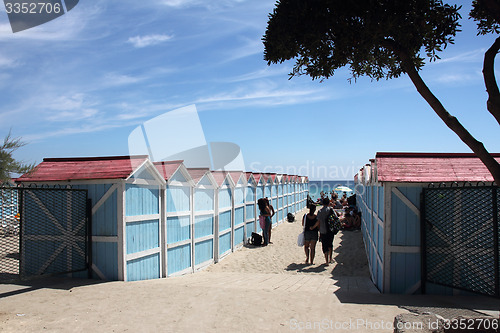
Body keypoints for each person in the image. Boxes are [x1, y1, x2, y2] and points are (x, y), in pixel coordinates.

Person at [317, 197, 336, 265]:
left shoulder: (320, 211)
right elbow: (335, 217)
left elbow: (318, 221)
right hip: (330, 230)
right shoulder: (331, 210)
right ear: (328, 203)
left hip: (323, 230)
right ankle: (330, 258)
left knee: (324, 245)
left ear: (322, 203)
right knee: (330, 244)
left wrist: (318, 230)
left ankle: (326, 261)